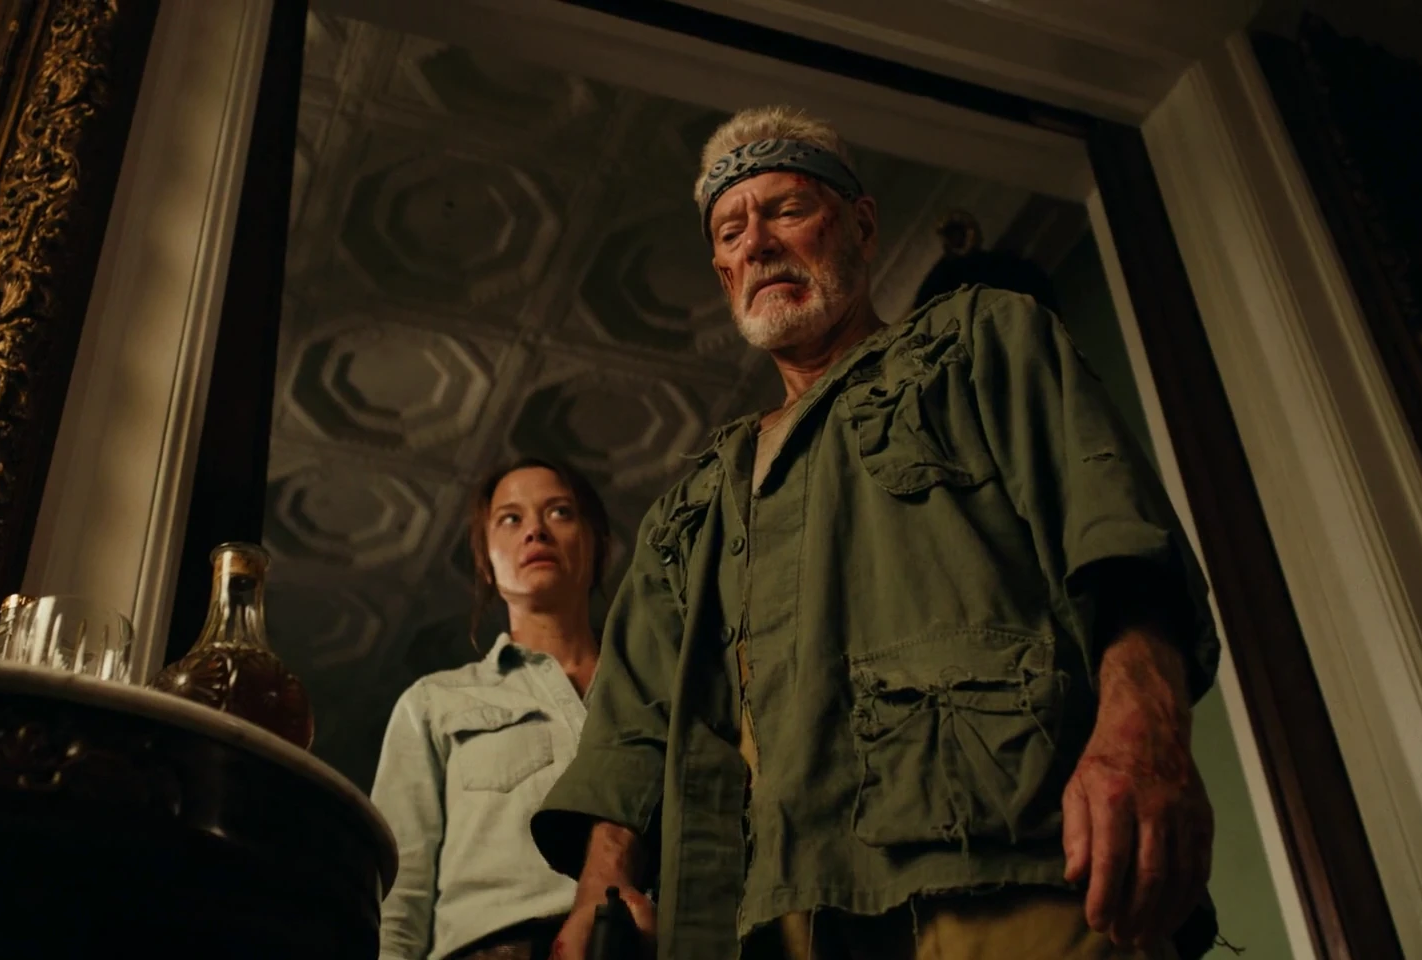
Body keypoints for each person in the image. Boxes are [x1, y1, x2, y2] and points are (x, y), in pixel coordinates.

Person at [532, 106, 1222, 960]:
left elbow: (1116, 536)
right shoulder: (691, 508)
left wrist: (1146, 733)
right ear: (723, 272)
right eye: (732, 232)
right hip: (776, 924)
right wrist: (601, 890)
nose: (759, 244)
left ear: (860, 224)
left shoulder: (979, 340)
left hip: (1013, 868)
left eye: (787, 210)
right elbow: (632, 725)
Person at [373, 458, 615, 960]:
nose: (535, 531)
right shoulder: (434, 702)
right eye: (510, 518)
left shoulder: (652, 692)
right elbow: (398, 895)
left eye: (560, 512)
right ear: (485, 559)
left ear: (596, 543)